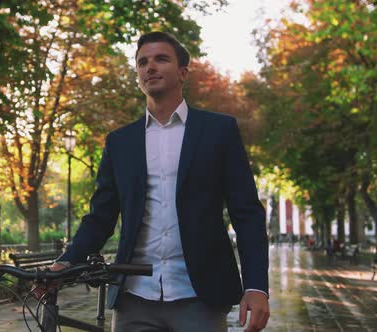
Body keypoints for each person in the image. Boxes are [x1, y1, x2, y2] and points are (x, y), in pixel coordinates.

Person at [50, 31, 269, 332]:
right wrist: (65, 263)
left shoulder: (219, 131)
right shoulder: (120, 143)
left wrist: (257, 287)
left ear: (182, 73)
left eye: (161, 59)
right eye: (142, 62)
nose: (149, 67)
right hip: (133, 297)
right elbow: (100, 218)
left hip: (200, 296)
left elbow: (247, 213)